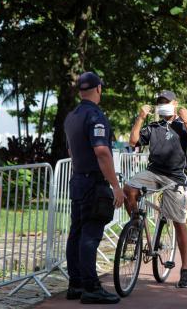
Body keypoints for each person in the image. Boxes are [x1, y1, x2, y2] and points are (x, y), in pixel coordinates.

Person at [123, 90, 187, 288]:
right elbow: (133, 142)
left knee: (178, 221)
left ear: (175, 103)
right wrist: (140, 117)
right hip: (153, 173)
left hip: (176, 178)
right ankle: (135, 226)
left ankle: (185, 268)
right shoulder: (154, 126)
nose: (163, 105)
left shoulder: (184, 125)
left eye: (166, 102)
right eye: (160, 102)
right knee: (129, 189)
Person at [64, 71, 124, 304]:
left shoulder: (72, 117)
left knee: (76, 233)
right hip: (93, 183)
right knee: (90, 234)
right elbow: (102, 151)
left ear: (80, 90)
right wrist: (116, 186)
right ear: (99, 88)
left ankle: (75, 284)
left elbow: (71, 151)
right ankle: (91, 287)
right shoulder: (95, 116)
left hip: (77, 180)